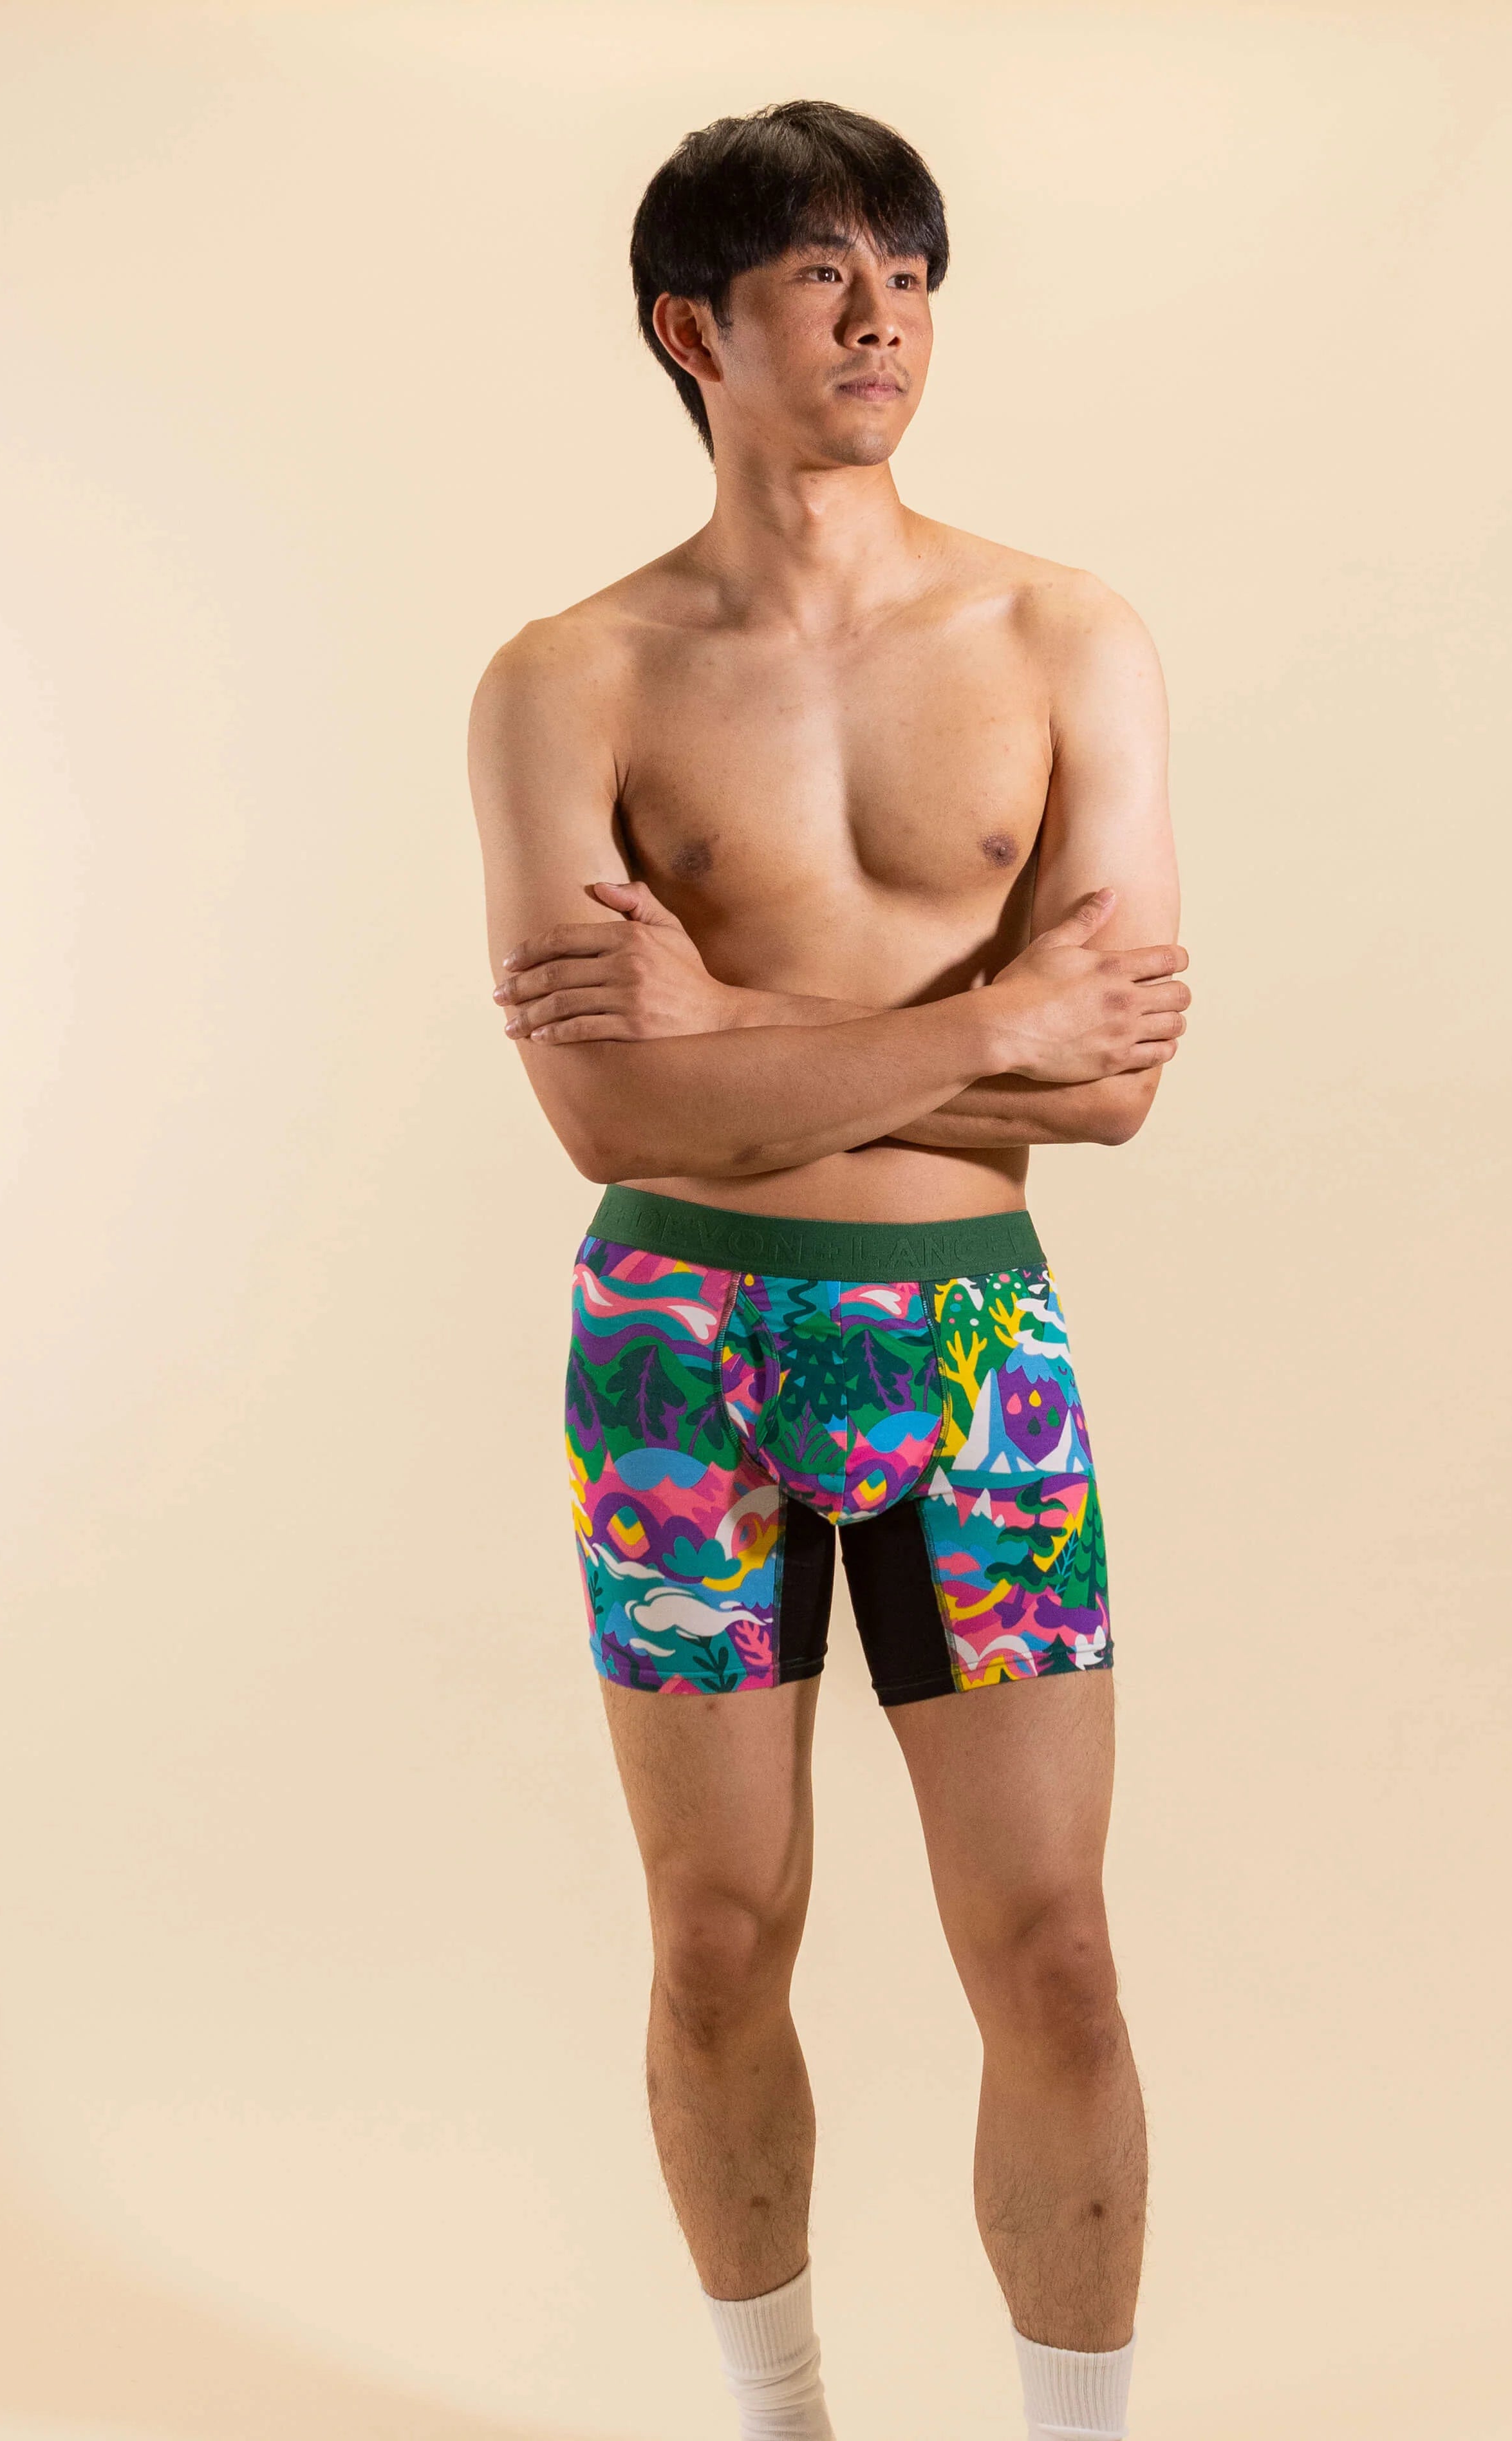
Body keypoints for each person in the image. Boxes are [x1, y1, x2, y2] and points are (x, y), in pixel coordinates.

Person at [466, 98, 1187, 2441]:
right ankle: (778, 2423)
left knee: (1055, 1957)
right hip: (678, 1352)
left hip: (975, 1346)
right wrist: (988, 1026)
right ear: (695, 330)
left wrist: (731, 1028)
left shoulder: (1063, 637)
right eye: (822, 274)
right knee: (712, 1942)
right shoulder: (569, 680)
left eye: (911, 272)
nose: (885, 317)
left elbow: (1115, 1087)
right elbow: (607, 1117)